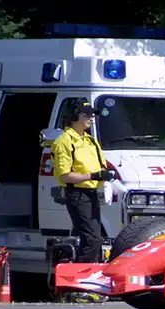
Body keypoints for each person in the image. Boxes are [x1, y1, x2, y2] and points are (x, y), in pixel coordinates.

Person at [51, 98, 116, 264]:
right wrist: (93, 176)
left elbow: (100, 166)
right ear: (74, 116)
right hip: (77, 194)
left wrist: (107, 174)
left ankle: (83, 275)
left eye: (92, 114)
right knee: (92, 240)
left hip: (92, 193)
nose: (91, 118)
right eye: (86, 114)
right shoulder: (64, 141)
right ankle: (80, 277)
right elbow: (65, 176)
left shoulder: (90, 140)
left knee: (95, 240)